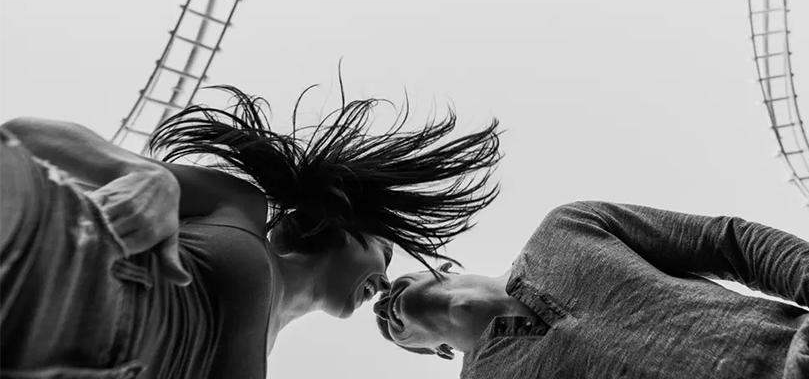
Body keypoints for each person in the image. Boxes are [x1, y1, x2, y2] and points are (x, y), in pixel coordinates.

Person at [1, 83, 502, 379]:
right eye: (385, 254)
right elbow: (25, 134)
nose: (384, 282)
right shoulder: (240, 207)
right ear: (342, 227)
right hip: (33, 240)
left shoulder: (266, 357)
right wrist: (145, 176)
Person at [374, 200, 809, 379]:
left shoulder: (564, 231)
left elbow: (731, 242)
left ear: (433, 264)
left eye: (389, 292)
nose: (385, 307)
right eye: (384, 324)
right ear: (431, 353)